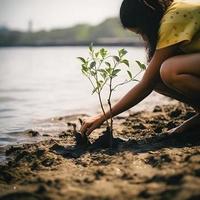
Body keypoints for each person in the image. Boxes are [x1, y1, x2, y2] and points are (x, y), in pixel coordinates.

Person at [80, 0, 200, 136]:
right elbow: (150, 80)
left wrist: (103, 116)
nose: (143, 38)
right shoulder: (171, 13)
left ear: (149, 20)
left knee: (169, 70)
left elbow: (145, 85)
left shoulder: (174, 19)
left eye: (142, 32)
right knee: (157, 78)